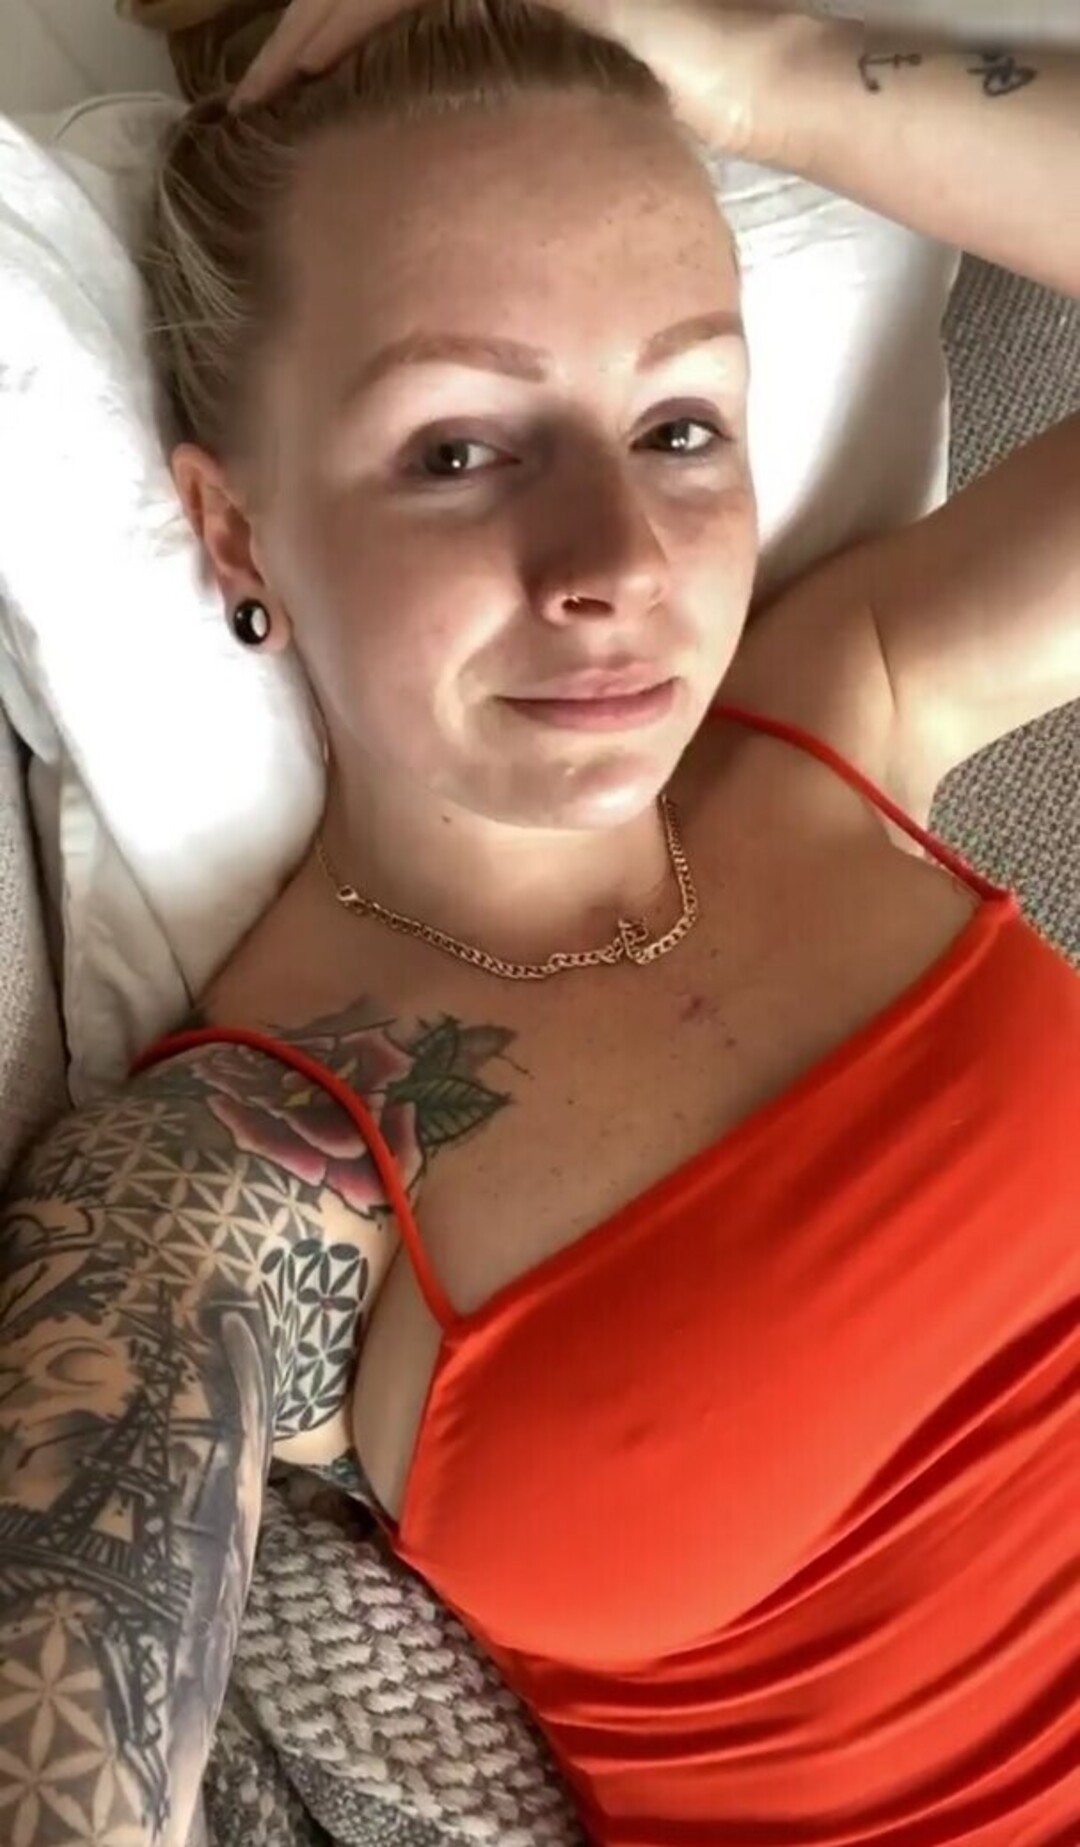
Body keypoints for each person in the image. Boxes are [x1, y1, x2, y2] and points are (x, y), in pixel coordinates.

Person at [1, 2, 1078, 1842]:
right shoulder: (244, 1167)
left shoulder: (832, 724)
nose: (618, 566)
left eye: (678, 425)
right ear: (234, 532)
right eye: (456, 450)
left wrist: (764, 77)